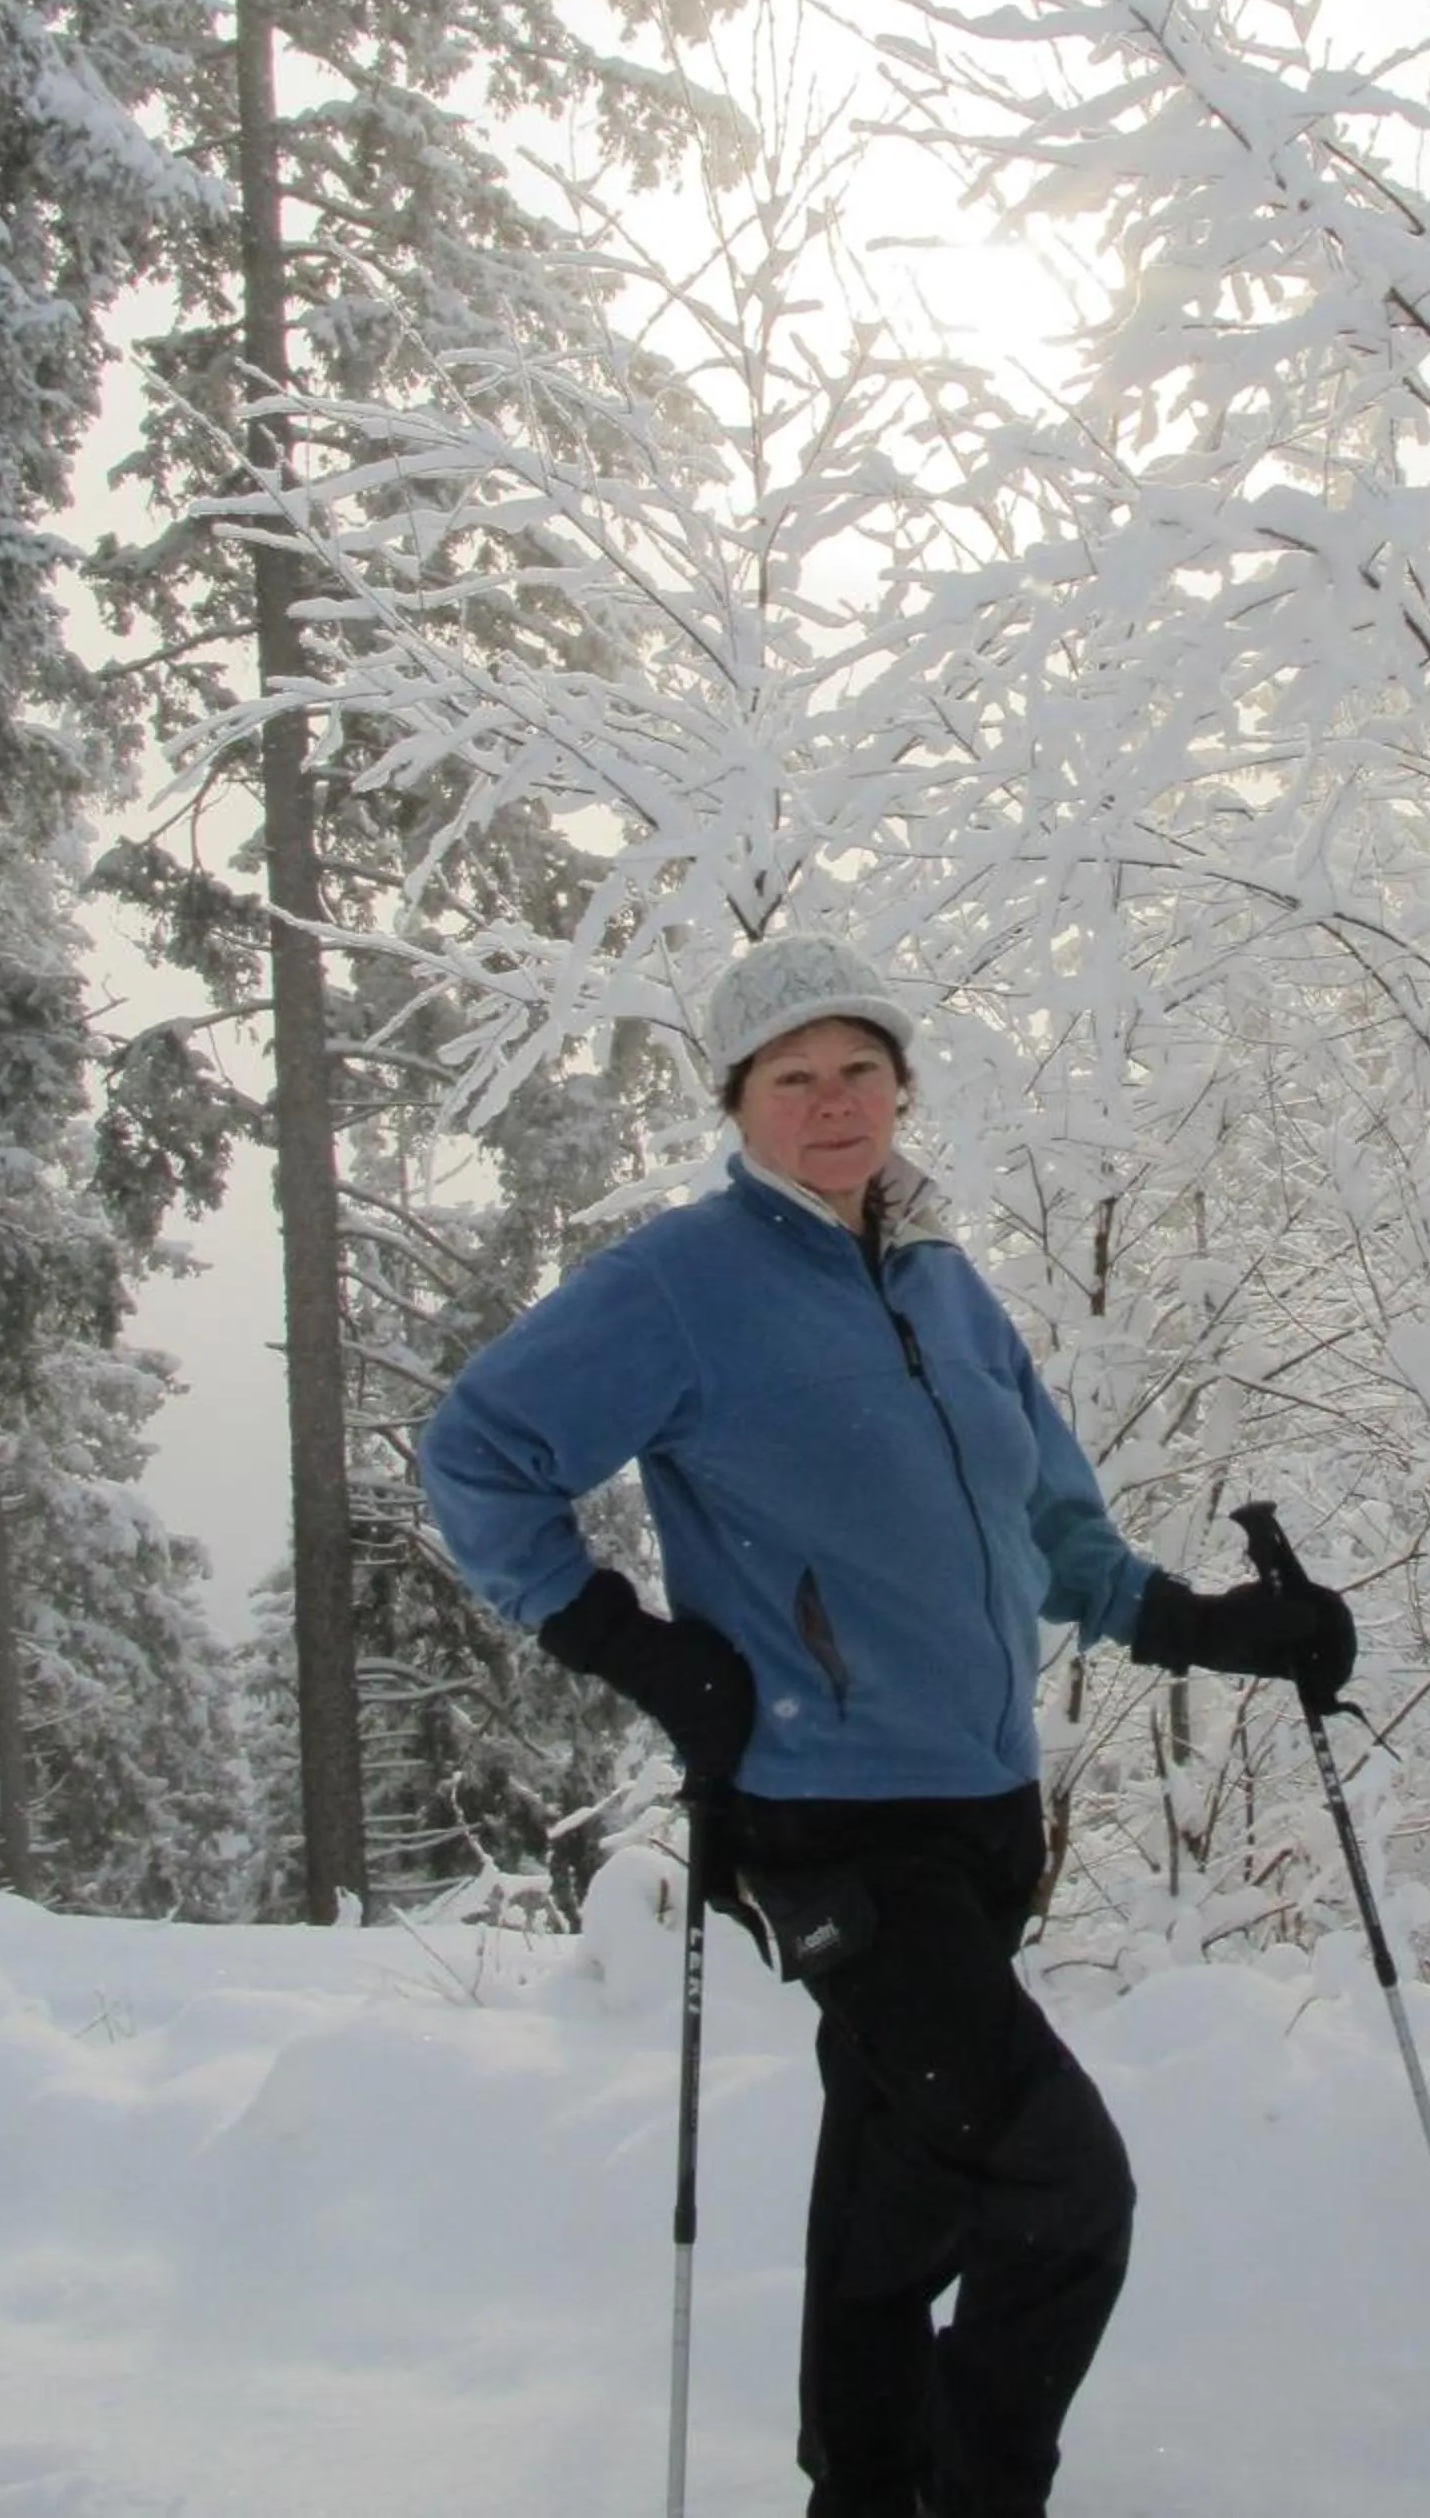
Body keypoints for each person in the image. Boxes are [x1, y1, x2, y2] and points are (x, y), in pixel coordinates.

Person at [418, 933, 1354, 2518]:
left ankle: (862, 2490)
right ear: (740, 1107)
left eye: (858, 1069)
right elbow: (478, 1451)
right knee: (1062, 2190)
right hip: (830, 1825)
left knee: (900, 2204)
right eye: (791, 1077)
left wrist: (1205, 1628)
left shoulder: (940, 1282)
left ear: (902, 1086)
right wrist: (627, 1645)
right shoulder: (680, 1284)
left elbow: (1048, 1527)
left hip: (984, 1817)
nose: (831, 1102)